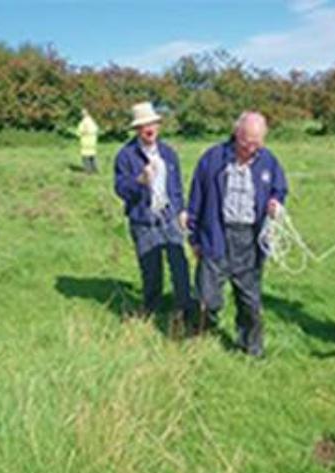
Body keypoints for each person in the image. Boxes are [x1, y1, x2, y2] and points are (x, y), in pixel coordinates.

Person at [186, 112, 287, 357]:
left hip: (250, 239)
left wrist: (275, 202)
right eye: (247, 141)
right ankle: (201, 332)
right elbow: (196, 199)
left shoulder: (268, 161)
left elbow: (279, 188)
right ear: (236, 134)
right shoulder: (212, 159)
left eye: (257, 142)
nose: (251, 148)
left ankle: (251, 346)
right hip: (216, 233)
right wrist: (194, 237)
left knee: (250, 300)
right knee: (208, 298)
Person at [114, 101, 193, 332]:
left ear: (158, 126)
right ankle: (152, 308)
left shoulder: (169, 153)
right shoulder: (126, 155)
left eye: (152, 124)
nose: (149, 129)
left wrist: (182, 210)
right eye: (143, 125)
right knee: (151, 270)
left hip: (169, 217)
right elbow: (120, 188)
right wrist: (139, 182)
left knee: (179, 265)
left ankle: (184, 308)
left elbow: (176, 187)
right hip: (143, 221)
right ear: (137, 129)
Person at [77, 108, 99, 173]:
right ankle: (94, 169)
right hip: (92, 142)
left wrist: (82, 132)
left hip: (86, 142)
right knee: (92, 156)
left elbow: (81, 132)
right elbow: (96, 130)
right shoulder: (92, 122)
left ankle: (88, 170)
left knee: (85, 157)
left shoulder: (83, 122)